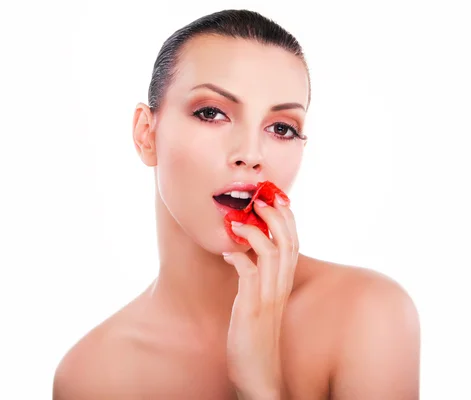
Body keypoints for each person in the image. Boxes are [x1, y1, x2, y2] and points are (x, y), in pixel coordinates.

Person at [52, 9, 420, 400]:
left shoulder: (368, 316)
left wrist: (259, 385)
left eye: (281, 128)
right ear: (146, 134)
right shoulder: (91, 376)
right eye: (211, 113)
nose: (250, 154)